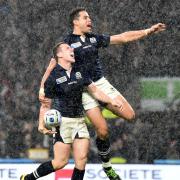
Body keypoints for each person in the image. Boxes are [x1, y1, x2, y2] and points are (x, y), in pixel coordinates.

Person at [39, 7, 166, 180]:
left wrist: (147, 31)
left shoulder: (93, 39)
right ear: (75, 21)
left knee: (130, 115)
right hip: (83, 89)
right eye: (85, 17)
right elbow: (52, 64)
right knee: (103, 130)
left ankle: (103, 161)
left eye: (89, 17)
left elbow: (121, 38)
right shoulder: (67, 42)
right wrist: (42, 86)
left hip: (100, 83)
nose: (89, 20)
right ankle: (107, 166)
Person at [20, 42, 122, 180]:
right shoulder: (53, 78)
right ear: (59, 54)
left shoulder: (80, 71)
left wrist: (111, 100)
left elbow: (95, 91)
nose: (72, 49)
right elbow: (45, 104)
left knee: (81, 161)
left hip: (80, 121)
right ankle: (28, 178)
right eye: (68, 48)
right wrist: (41, 125)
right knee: (60, 163)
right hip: (63, 123)